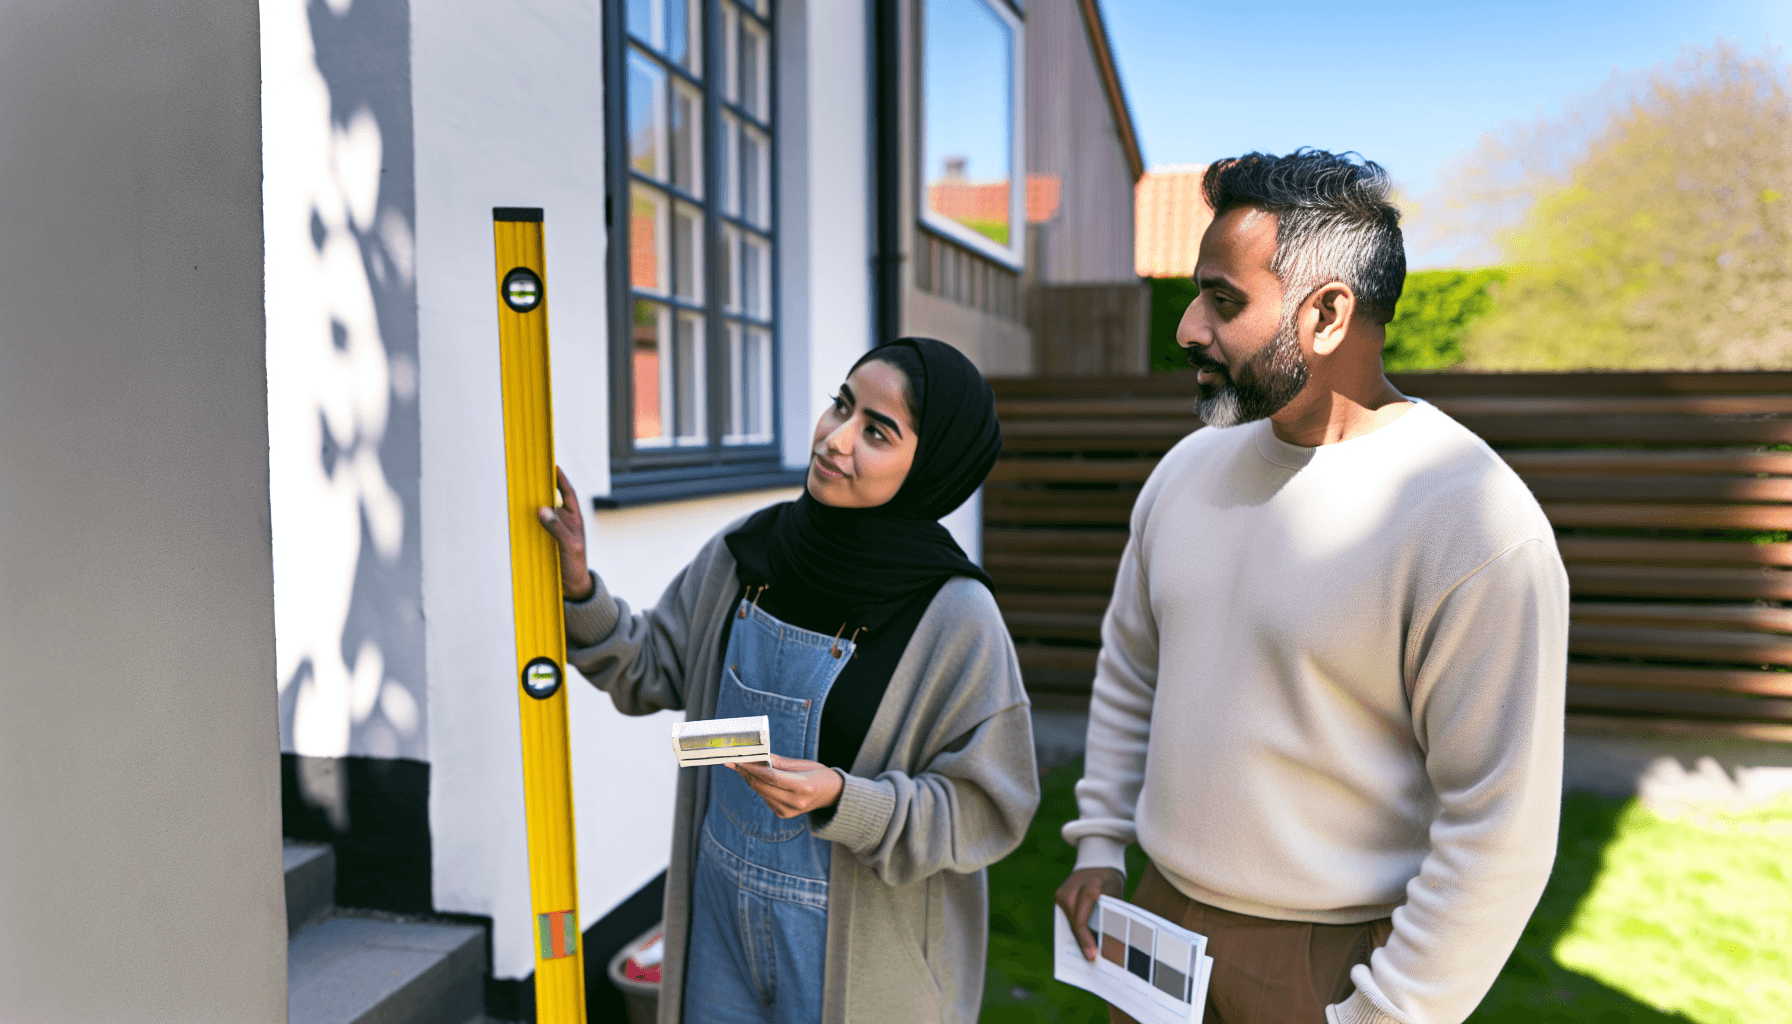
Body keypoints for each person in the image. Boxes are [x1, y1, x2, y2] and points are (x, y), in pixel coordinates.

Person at [1054, 150, 1568, 1024]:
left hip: (1329, 963)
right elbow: (1131, 670)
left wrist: (1386, 1013)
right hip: (1154, 919)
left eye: (1224, 300)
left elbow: (1499, 828)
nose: (1185, 328)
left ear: (1327, 314)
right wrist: (1101, 839)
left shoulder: (1474, 521)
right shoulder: (1184, 472)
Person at [539, 337, 1039, 1024]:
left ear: (932, 466)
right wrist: (579, 588)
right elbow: (650, 666)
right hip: (718, 930)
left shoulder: (955, 616)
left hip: (856, 964)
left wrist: (845, 798)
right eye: (841, 405)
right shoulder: (748, 551)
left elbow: (991, 808)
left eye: (876, 431)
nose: (835, 440)